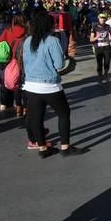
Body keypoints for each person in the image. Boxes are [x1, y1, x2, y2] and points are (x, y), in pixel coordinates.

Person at [23, 12, 86, 158]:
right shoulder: (52, 41)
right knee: (64, 114)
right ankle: (65, 147)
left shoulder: (28, 41)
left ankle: (43, 148)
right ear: (48, 25)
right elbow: (59, 64)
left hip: (31, 85)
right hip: (50, 85)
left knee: (37, 118)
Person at [0, 13, 27, 114]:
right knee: (18, 83)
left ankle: (4, 104)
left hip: (7, 60)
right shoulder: (27, 31)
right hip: (20, 60)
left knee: (5, 80)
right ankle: (20, 106)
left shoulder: (8, 30)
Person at [90, 13, 111, 86]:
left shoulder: (108, 26)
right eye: (101, 18)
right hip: (98, 48)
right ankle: (100, 77)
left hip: (106, 47)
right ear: (98, 18)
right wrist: (96, 37)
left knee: (107, 62)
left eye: (104, 18)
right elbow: (91, 39)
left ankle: (106, 74)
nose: (102, 19)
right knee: (99, 63)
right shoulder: (94, 27)